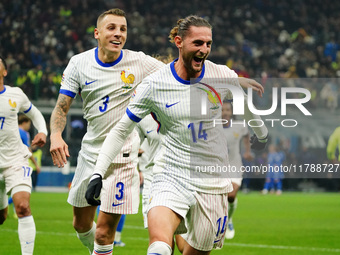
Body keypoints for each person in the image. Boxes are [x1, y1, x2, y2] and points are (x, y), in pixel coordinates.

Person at [85, 15, 268, 255]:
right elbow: (121, 130)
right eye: (198, 43)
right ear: (179, 42)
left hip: (212, 182)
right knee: (160, 247)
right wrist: (98, 172)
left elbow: (244, 103)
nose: (204, 50)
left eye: (208, 44)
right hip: (170, 174)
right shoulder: (154, 85)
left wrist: (261, 133)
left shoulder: (220, 74)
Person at [49, 8, 165, 255]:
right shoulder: (79, 63)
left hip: (122, 157)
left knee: (103, 232)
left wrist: (224, 78)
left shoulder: (139, 61)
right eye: (112, 28)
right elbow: (61, 106)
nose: (118, 34)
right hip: (90, 153)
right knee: (81, 225)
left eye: (123, 29)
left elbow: (175, 71)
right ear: (97, 33)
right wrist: (56, 135)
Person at [0, 56, 47, 255]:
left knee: (23, 207)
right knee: (1, 217)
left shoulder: (15, 94)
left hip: (15, 161)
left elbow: (35, 113)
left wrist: (43, 131)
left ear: (4, 71)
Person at [221, 101, 253, 239]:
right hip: (217, 168)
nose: (225, 112)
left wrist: (247, 151)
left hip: (235, 166)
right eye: (222, 110)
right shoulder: (212, 127)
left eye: (227, 110)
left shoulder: (239, 126)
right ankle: (219, 221)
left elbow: (246, 135)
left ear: (231, 112)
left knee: (231, 195)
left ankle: (229, 220)